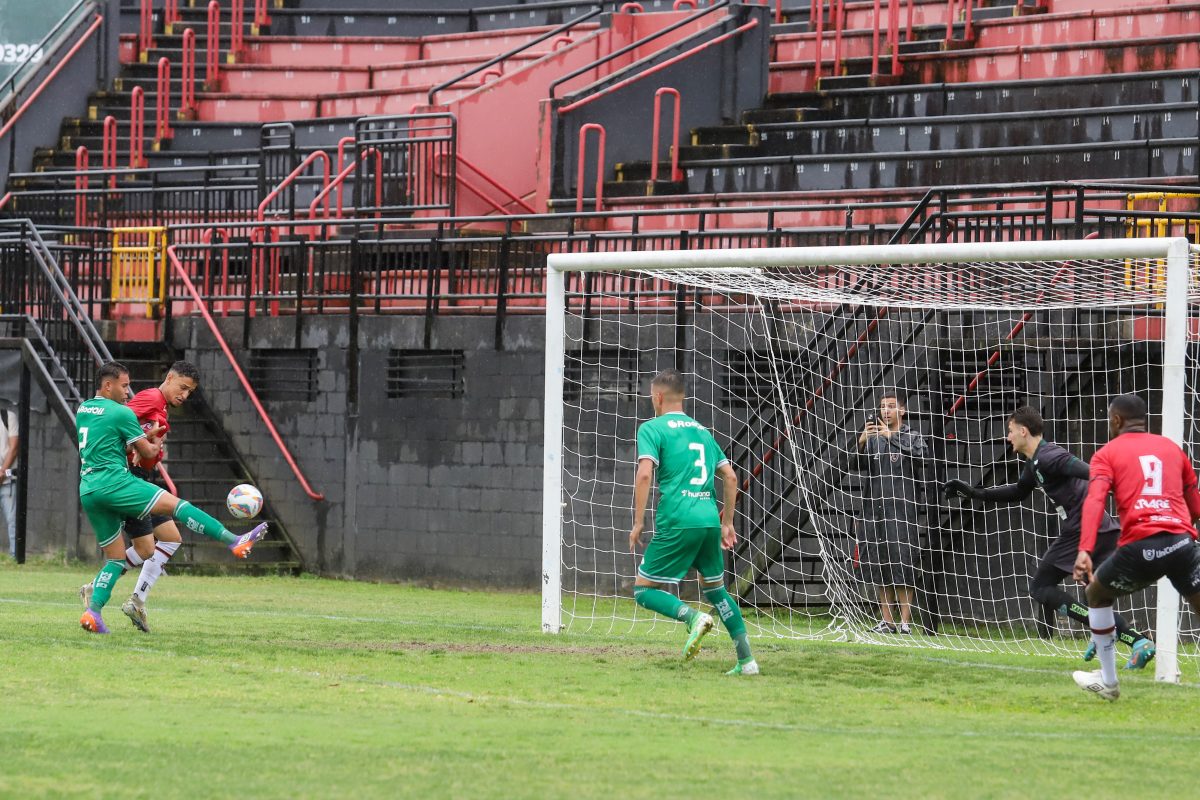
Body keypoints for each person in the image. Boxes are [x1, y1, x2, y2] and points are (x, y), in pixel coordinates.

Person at [944, 406, 1155, 669]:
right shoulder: (1035, 462)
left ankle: (1108, 634)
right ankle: (1136, 642)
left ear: (1023, 431)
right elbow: (1019, 491)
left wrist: (1124, 491)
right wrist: (975, 493)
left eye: (1009, 431)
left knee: (1041, 587)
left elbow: (1090, 472)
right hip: (1098, 527)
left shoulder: (1050, 455)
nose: (1007, 437)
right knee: (1096, 596)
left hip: (1083, 529)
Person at [77, 361, 268, 634]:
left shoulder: (84, 409)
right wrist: (146, 443)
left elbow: (108, 428)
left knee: (132, 553)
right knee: (179, 507)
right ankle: (235, 541)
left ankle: (95, 609)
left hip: (90, 487)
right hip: (122, 481)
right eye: (125, 386)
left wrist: (138, 440)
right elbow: (129, 427)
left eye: (190, 391)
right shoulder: (139, 403)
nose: (129, 391)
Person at [628, 369, 758, 675]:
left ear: (657, 397)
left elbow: (645, 474)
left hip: (678, 518)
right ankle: (746, 660)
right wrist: (727, 522)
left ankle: (691, 618)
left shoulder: (652, 428)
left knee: (643, 590)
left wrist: (638, 522)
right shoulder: (702, 431)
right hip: (709, 518)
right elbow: (731, 476)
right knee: (715, 590)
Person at [1072, 394, 1200, 701]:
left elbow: (1095, 500)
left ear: (1115, 420)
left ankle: (1109, 681)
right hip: (1182, 543)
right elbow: (1193, 498)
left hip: (1141, 547)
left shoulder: (1106, 454)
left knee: (1096, 594)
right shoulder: (1171, 448)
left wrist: (1085, 550)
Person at [78, 361, 200, 633]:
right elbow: (116, 419)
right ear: (168, 378)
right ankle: (117, 594)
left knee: (160, 543)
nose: (185, 395)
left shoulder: (160, 404)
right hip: (128, 479)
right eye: (182, 387)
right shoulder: (151, 397)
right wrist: (133, 445)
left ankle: (126, 596)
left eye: (189, 392)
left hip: (138, 477)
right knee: (161, 542)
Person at [855, 391, 930, 635]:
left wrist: (893, 438)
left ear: (902, 410)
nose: (885, 411)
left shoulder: (912, 436)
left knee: (903, 566)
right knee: (880, 565)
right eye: (882, 407)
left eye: (890, 406)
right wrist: (861, 442)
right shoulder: (874, 440)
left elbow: (923, 458)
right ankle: (886, 621)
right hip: (875, 511)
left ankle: (905, 622)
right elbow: (855, 465)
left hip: (902, 512)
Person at [0, 404, 18, 559]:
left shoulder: (8, 416)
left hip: (7, 481)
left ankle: (14, 557)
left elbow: (14, 448)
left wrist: (1, 473)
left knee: (12, 521)